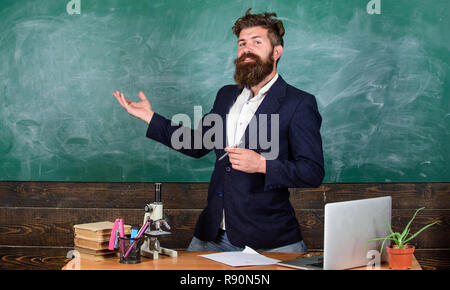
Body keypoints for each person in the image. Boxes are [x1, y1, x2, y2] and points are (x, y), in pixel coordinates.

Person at [113, 9, 324, 252]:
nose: (247, 49)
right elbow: (197, 144)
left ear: (276, 52)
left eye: (257, 42)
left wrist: (262, 165)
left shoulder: (298, 103)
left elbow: (313, 171)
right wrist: (150, 117)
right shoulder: (226, 95)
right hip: (211, 235)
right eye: (242, 43)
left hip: (269, 240)